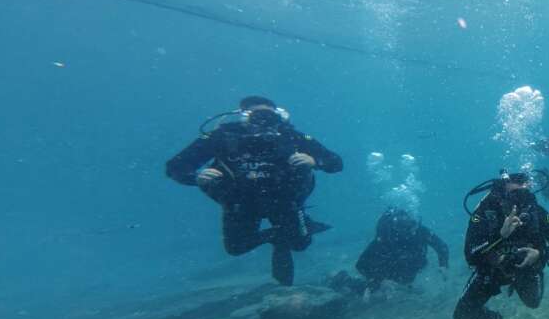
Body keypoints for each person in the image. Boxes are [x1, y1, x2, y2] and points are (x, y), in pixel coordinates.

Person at [166, 96, 343, 286]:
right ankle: (277, 236)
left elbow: (335, 162)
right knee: (235, 247)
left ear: (278, 116)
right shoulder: (221, 137)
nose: (263, 120)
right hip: (240, 202)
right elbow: (175, 166)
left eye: (269, 115)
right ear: (243, 116)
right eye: (257, 115)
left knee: (300, 244)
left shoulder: (290, 136)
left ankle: (290, 232)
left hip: (284, 199)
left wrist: (315, 161)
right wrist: (196, 176)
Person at [428, 171, 549, 319]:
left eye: (524, 193)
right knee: (462, 315)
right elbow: (471, 254)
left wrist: (539, 254)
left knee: (533, 303)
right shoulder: (483, 213)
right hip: (492, 271)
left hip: (526, 268)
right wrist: (499, 235)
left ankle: (527, 278)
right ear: (501, 192)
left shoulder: (536, 211)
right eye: (514, 194)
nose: (519, 201)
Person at [355, 207, 449, 292]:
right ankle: (346, 280)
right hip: (390, 274)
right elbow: (361, 265)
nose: (411, 232)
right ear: (396, 229)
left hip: (411, 270)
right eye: (405, 229)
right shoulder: (386, 238)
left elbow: (441, 246)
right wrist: (380, 280)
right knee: (368, 289)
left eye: (411, 226)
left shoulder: (420, 231)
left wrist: (443, 265)